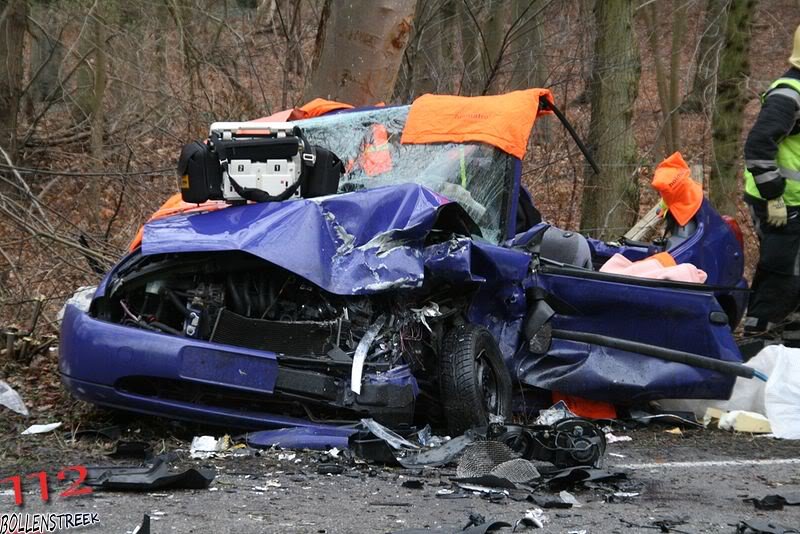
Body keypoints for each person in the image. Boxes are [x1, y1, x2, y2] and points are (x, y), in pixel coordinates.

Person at [742, 25, 800, 346]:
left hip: (792, 202)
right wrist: (774, 194)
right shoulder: (789, 94)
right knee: (782, 278)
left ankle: (792, 354)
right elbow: (758, 145)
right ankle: (757, 349)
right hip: (780, 203)